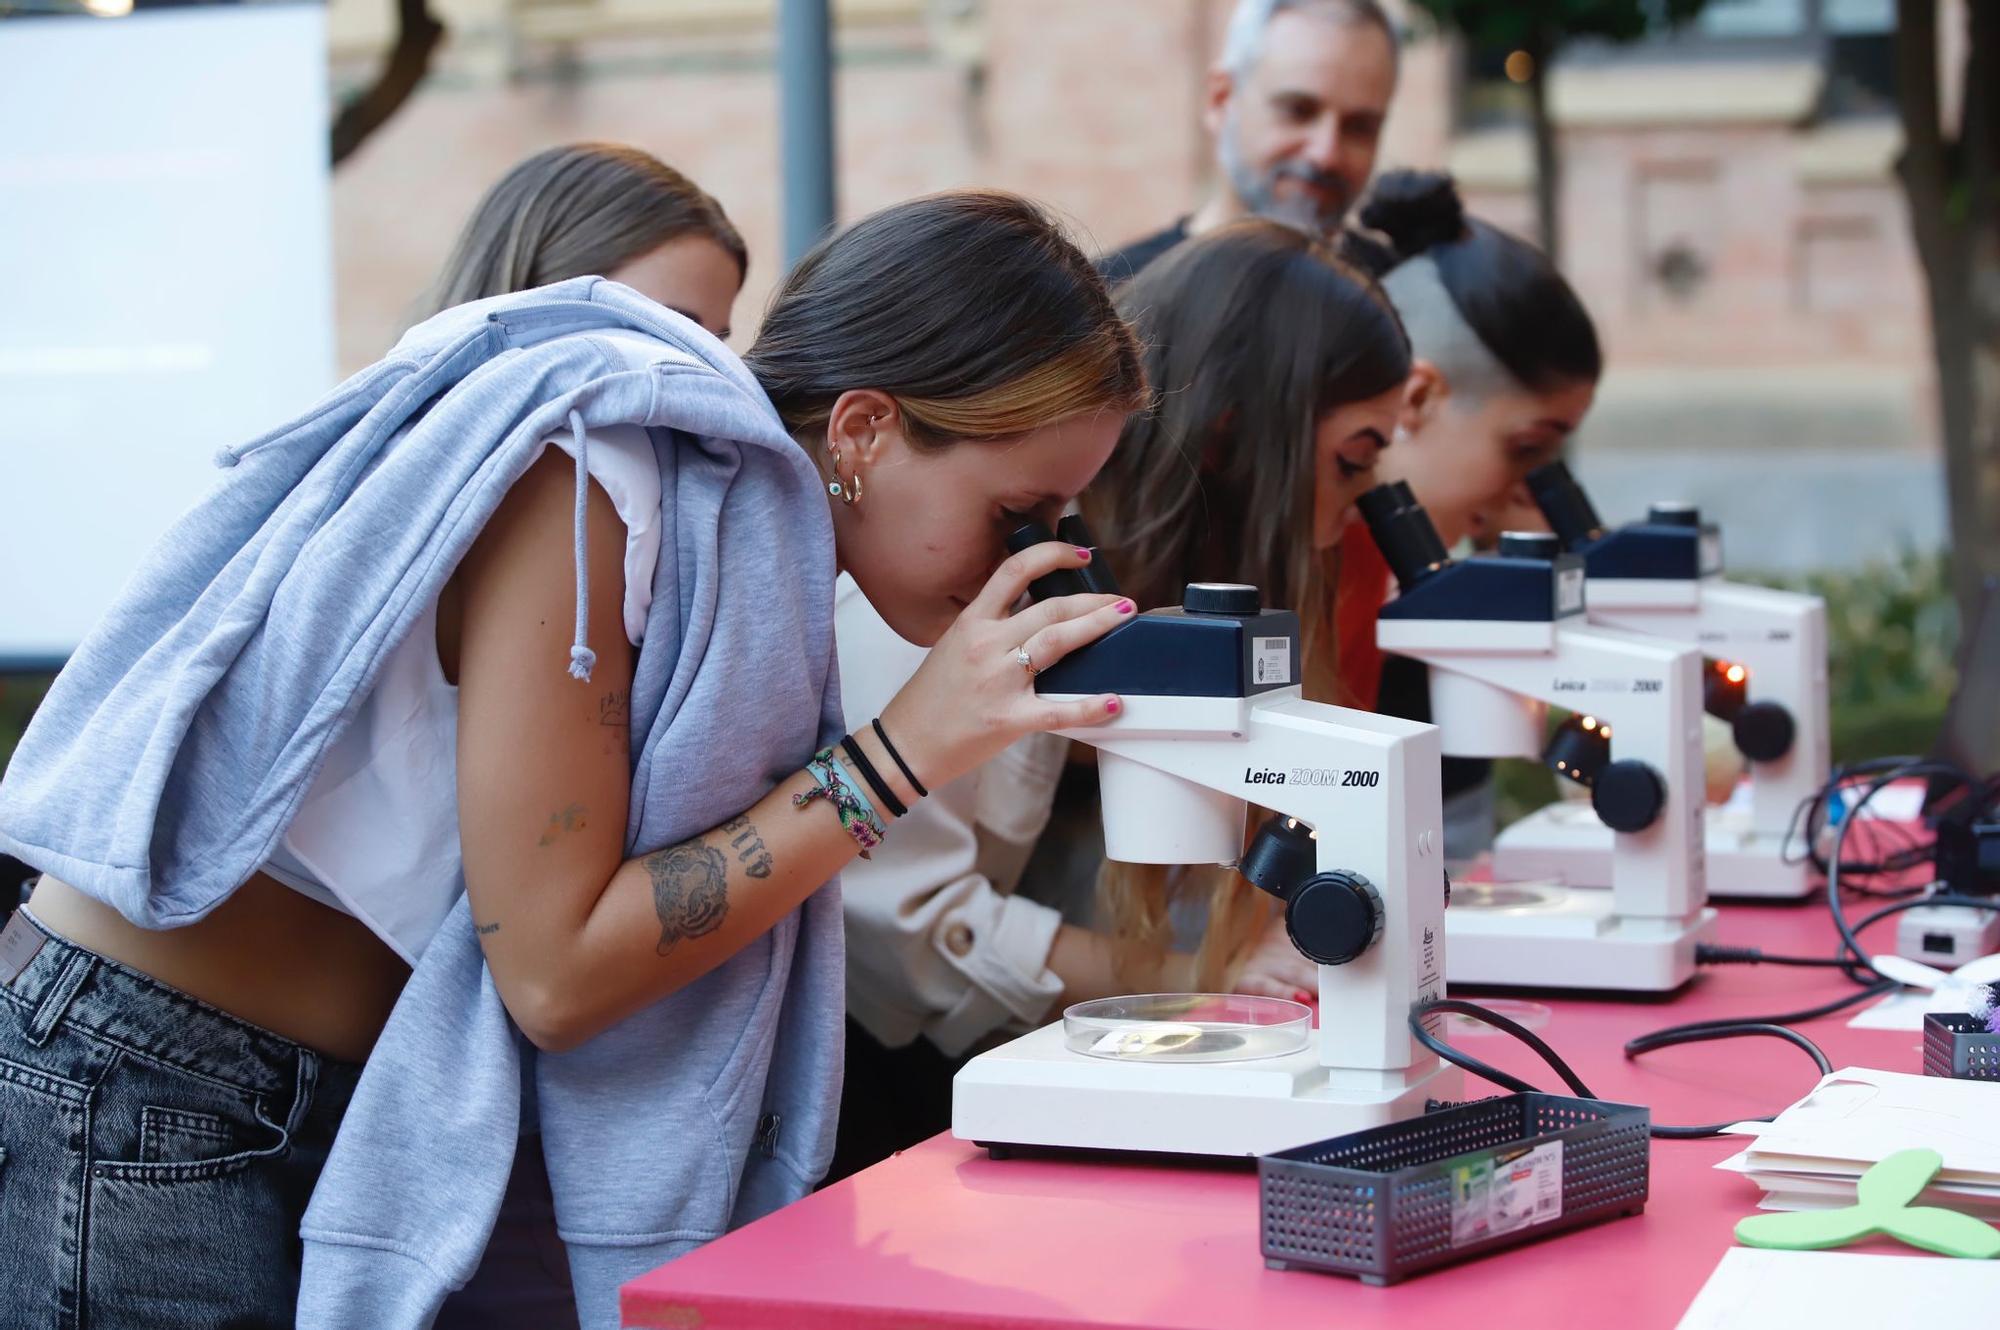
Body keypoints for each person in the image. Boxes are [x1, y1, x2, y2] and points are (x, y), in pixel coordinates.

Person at [0, 188, 1145, 1329]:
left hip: (302, 1097)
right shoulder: (603, 469)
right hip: (144, 1077)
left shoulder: (731, 534)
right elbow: (556, 973)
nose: (1045, 553)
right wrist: (898, 757)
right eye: (1019, 509)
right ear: (862, 429)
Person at [828, 218, 1410, 1180]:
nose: (1355, 514)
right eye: (1350, 463)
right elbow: (909, 924)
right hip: (876, 1096)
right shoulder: (943, 585)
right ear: (1236, 436)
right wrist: (1199, 982)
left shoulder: (1046, 559)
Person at [1333, 170, 1603, 855]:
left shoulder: (1403, 580)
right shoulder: (1312, 559)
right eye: (1526, 449)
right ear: (1417, 398)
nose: (1529, 491)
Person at [1097, 0, 1399, 285]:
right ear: (1221, 100)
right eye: (1298, 111)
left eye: (1359, 127)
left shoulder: (1414, 297)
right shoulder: (1112, 307)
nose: (1326, 154)